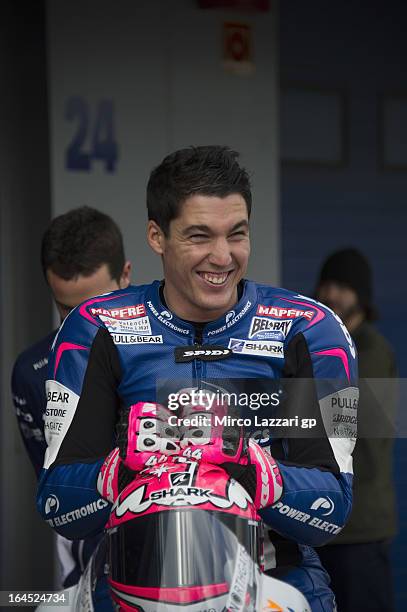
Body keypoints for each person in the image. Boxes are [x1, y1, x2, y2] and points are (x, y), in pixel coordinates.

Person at [36, 146, 358, 611]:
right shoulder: (94, 328)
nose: (222, 257)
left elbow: (333, 512)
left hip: (275, 587)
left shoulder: (310, 329)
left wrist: (248, 465)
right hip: (130, 589)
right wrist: (120, 468)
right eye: (200, 236)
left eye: (237, 234)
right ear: (156, 236)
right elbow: (58, 507)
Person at [12, 206, 131, 588]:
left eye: (97, 308)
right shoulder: (33, 373)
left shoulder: (176, 344)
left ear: (125, 276)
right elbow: (57, 491)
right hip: (89, 570)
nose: (83, 324)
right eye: (67, 309)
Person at [316, 248, 397, 612]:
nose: (331, 294)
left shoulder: (373, 351)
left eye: (343, 287)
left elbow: (344, 423)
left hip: (359, 532)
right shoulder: (329, 346)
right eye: (327, 284)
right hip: (326, 528)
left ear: (361, 296)